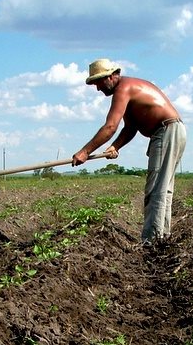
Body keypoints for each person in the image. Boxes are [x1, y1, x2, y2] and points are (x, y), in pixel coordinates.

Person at [72, 59, 186, 245]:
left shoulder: (123, 88)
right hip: (172, 130)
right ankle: (161, 238)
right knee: (163, 189)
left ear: (110, 76)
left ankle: (151, 242)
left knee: (156, 189)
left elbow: (110, 126)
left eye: (98, 83)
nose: (98, 88)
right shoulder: (128, 87)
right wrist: (116, 146)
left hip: (166, 131)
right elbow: (130, 127)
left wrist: (85, 152)